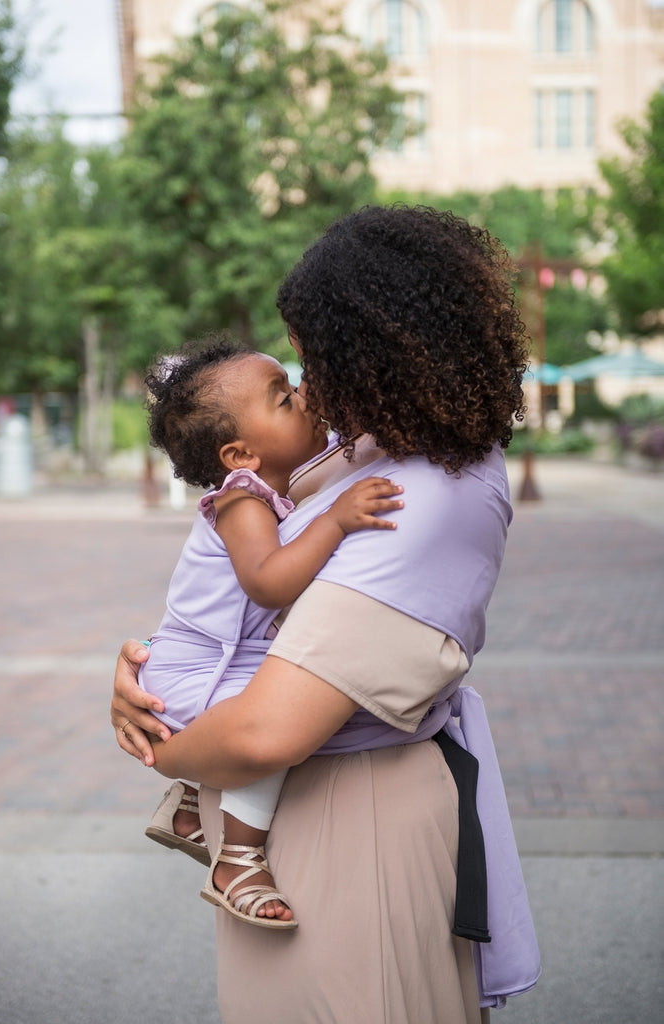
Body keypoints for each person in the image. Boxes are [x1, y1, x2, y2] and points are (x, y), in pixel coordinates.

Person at [111, 204, 541, 1024]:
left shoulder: (424, 495)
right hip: (304, 812)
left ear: (378, 352)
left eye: (315, 356)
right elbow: (244, 588)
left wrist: (158, 742)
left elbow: (262, 734)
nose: (308, 382)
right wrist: (144, 671)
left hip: (355, 824)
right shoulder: (380, 449)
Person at [138, 336, 404, 929]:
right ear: (240, 455)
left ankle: (187, 803)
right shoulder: (242, 500)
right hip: (195, 669)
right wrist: (337, 520)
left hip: (213, 659)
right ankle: (238, 858)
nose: (303, 398)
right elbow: (267, 582)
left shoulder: (276, 491)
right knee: (273, 722)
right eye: (283, 399)